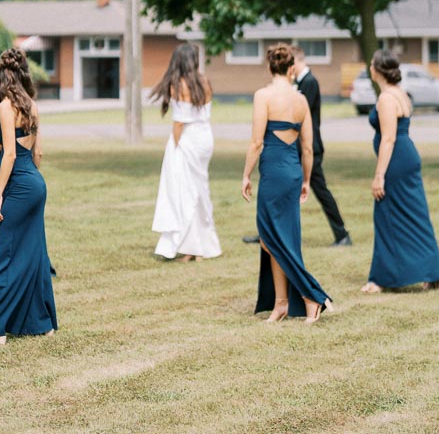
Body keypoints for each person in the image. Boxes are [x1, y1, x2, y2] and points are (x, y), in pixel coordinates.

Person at [0, 48, 56, 345]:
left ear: (3, 78)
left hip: (18, 184)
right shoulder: (31, 104)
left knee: (3, 253)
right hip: (35, 183)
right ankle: (42, 323)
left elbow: (11, 155)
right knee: (33, 256)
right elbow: (36, 150)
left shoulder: (6, 106)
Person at [241, 42, 332, 323]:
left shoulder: (263, 96)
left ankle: (310, 297)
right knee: (276, 239)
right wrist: (305, 179)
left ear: (270, 67)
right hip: (292, 173)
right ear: (291, 68)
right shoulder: (301, 100)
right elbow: (308, 148)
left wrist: (246, 174)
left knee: (272, 238)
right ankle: (281, 303)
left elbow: (257, 142)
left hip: (273, 173)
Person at [362, 50, 439, 295]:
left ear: (377, 70)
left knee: (386, 214)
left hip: (396, 161)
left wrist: (379, 175)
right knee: (415, 215)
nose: (369, 68)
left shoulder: (387, 98)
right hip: (406, 156)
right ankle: (432, 272)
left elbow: (388, 138)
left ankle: (382, 278)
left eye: (370, 64)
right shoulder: (401, 94)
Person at [150, 43, 222, 261]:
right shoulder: (205, 81)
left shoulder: (179, 85)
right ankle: (200, 247)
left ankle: (193, 248)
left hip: (188, 140)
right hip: (205, 138)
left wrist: (175, 146)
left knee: (183, 193)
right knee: (199, 191)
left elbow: (179, 122)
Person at [291, 44, 352, 247]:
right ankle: (272, 234)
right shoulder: (298, 82)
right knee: (284, 191)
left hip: (311, 147)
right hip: (298, 147)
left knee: (321, 191)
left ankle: (342, 234)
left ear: (297, 61)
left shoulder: (309, 83)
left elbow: (300, 114)